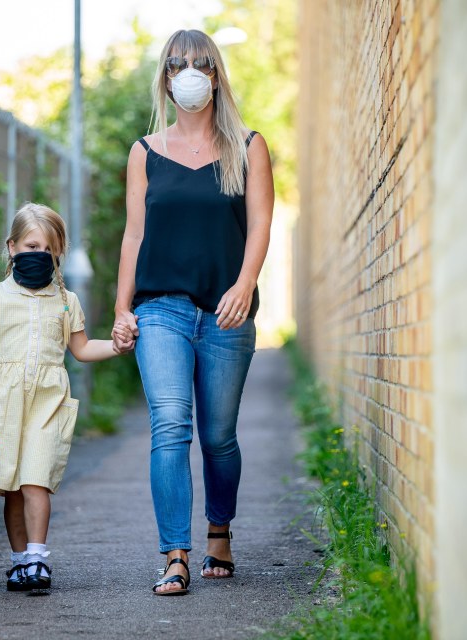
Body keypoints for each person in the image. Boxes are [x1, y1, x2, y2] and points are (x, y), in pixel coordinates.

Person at [111, 29, 275, 595]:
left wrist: (245, 283)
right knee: (170, 425)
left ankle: (219, 533)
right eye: (178, 63)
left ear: (216, 76)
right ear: (165, 77)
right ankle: (175, 555)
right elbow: (134, 236)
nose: (189, 72)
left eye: (201, 64)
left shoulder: (248, 146)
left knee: (219, 437)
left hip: (227, 313)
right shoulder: (145, 152)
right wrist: (121, 307)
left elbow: (259, 226)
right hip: (161, 309)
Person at [0, 202, 128, 592]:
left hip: (47, 402)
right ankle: (20, 560)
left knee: (36, 480)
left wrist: (119, 347)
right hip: (4, 402)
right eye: (30, 246)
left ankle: (38, 558)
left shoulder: (65, 301)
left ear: (59, 254)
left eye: (48, 250)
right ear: (12, 247)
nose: (38, 255)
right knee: (11, 487)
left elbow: (82, 349)